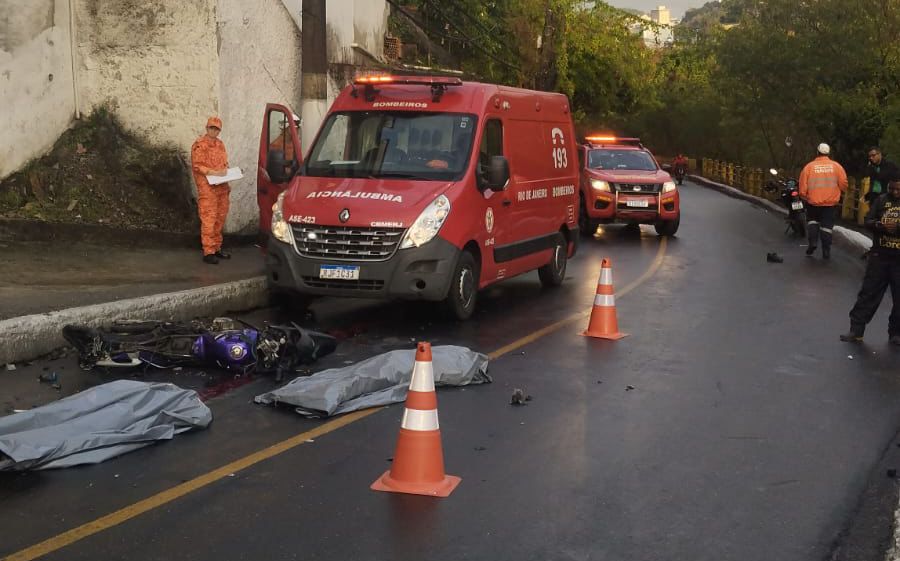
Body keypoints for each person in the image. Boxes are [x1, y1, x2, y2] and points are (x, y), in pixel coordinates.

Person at [840, 178, 900, 345]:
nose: (895, 192)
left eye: (898, 189)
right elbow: (868, 221)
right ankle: (856, 330)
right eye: (892, 189)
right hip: (879, 256)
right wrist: (881, 226)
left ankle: (896, 333)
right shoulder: (881, 200)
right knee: (868, 294)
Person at [191, 116, 231, 265]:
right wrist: (215, 173)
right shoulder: (199, 144)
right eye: (211, 128)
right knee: (209, 219)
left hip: (221, 187)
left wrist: (227, 175)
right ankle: (208, 252)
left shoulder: (220, 145)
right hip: (208, 188)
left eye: (217, 129)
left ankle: (216, 248)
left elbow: (224, 164)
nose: (214, 131)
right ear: (207, 128)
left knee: (220, 218)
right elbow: (197, 166)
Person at [798, 143, 848, 259]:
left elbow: (802, 187)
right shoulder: (837, 167)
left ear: (817, 152)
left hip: (813, 202)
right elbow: (844, 184)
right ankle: (826, 250)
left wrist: (805, 197)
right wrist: (840, 191)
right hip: (830, 204)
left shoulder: (809, 167)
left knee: (812, 222)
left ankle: (813, 243)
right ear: (828, 153)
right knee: (826, 227)